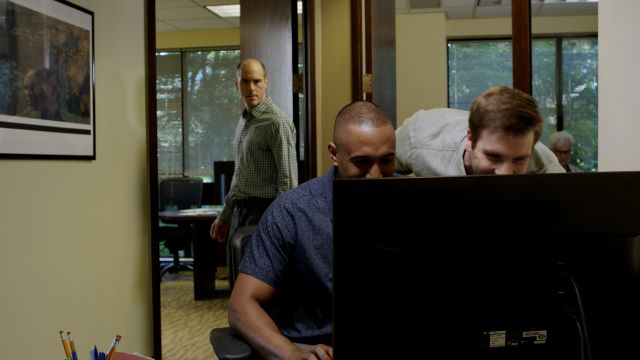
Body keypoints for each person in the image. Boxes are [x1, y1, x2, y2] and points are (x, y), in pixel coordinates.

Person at [228, 100, 396, 360]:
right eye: (361, 163)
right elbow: (241, 306)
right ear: (334, 154)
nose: (375, 176)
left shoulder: (416, 204)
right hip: (315, 351)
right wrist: (291, 354)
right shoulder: (292, 212)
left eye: (386, 161)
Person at [210, 58, 298, 287]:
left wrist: (278, 228)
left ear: (266, 82)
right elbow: (239, 175)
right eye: (245, 81)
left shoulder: (277, 123)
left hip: (264, 214)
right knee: (236, 286)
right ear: (236, 84)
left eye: (257, 81)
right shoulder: (244, 122)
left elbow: (288, 182)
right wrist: (225, 214)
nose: (251, 88)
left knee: (256, 291)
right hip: (241, 212)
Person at [395, 86, 565, 176]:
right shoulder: (419, 136)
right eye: (493, 156)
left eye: (519, 160)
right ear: (470, 138)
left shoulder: (544, 161)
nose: (505, 173)